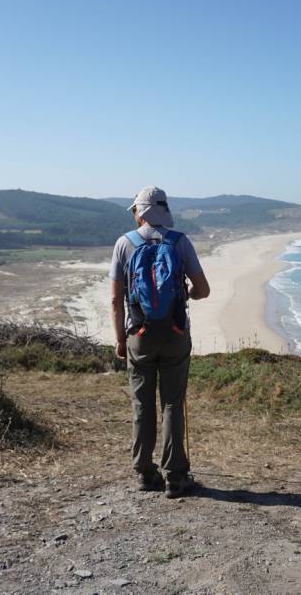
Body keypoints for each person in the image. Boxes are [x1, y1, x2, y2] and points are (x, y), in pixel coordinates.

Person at [110, 186, 210, 498]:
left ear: (139, 212)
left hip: (138, 335)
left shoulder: (124, 243)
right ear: (164, 211)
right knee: (171, 403)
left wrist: (120, 341)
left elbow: (116, 299)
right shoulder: (180, 241)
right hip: (175, 335)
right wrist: (185, 295)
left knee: (142, 404)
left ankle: (143, 471)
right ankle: (176, 476)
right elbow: (203, 289)